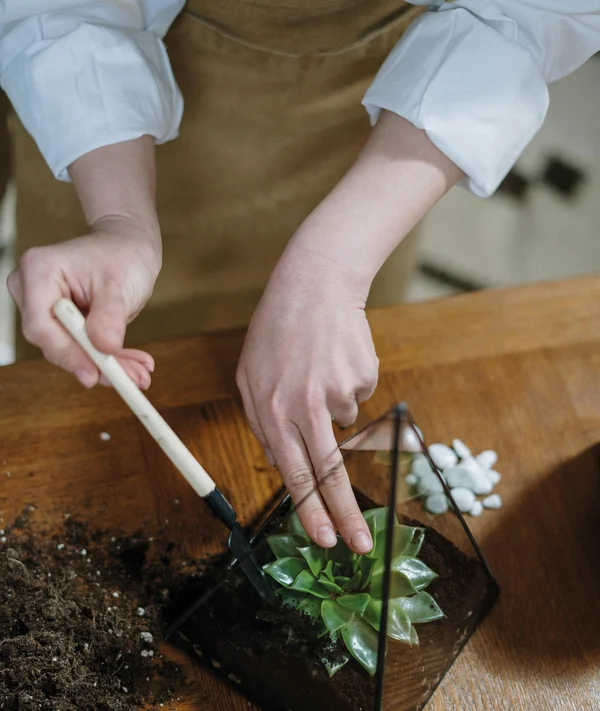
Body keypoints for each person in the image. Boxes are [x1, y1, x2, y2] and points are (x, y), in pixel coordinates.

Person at [1, 1, 599, 555]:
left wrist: (334, 267)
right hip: (113, 135)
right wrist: (121, 220)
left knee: (314, 390)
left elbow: (532, 12)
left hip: (380, 141)